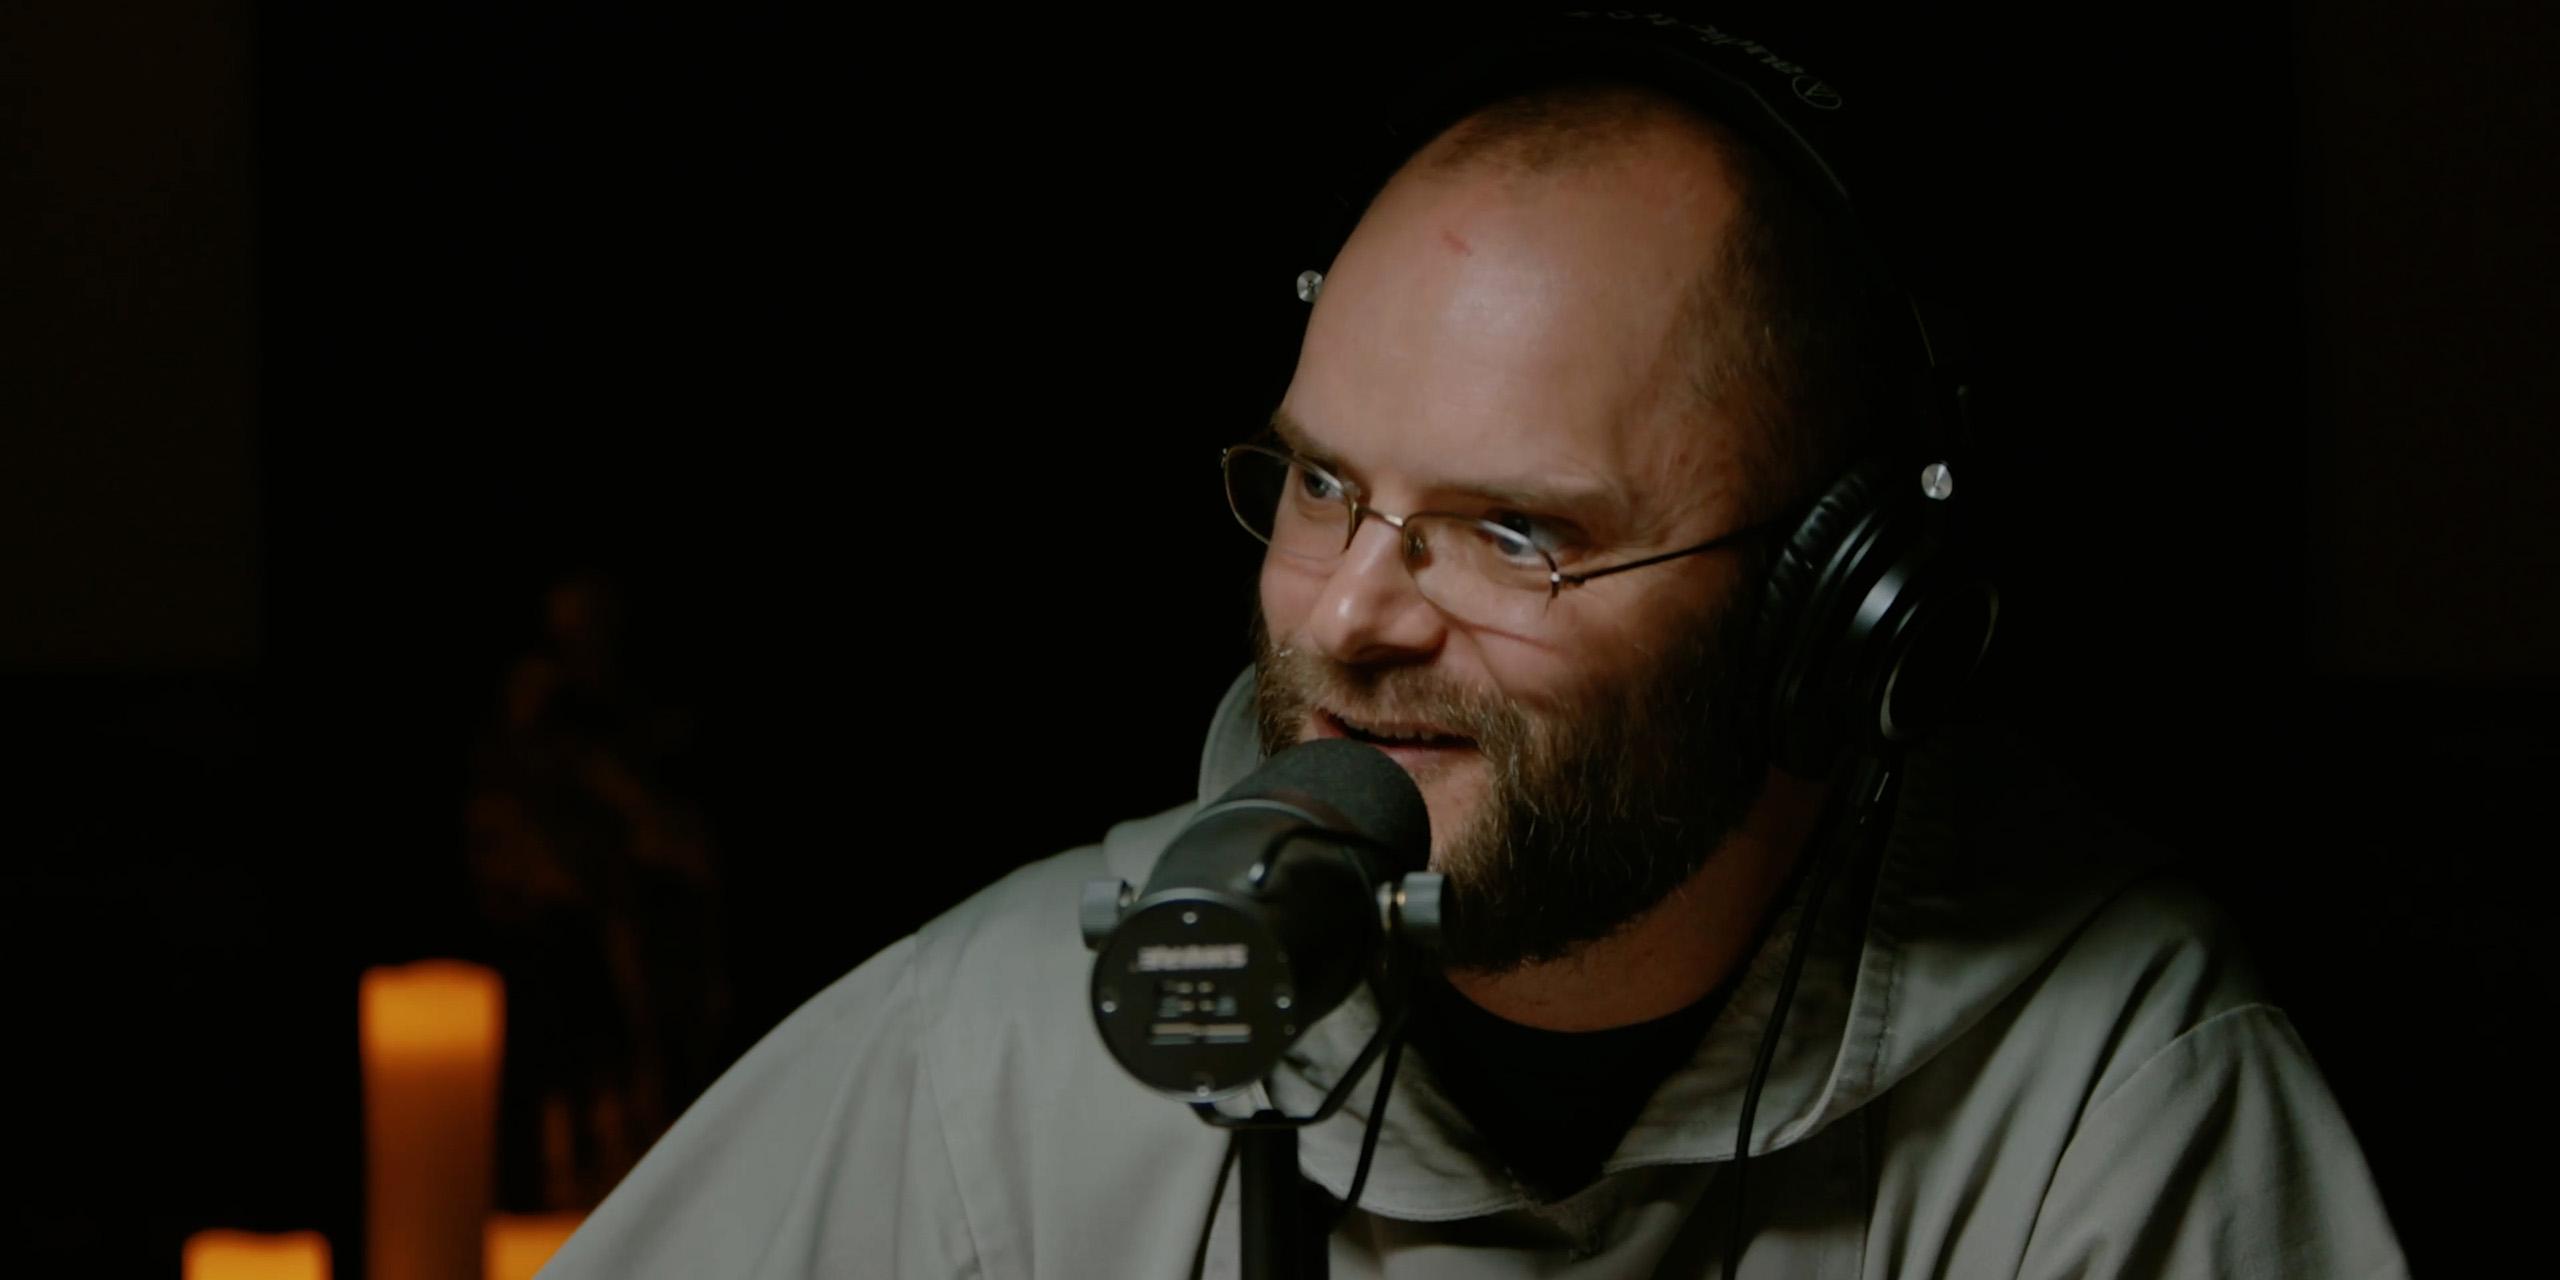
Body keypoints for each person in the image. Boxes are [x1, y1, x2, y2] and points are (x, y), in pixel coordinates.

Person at [542, 16, 2406, 1279]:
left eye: (1520, 534)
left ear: (1831, 621)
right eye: (1321, 489)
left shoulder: (2112, 1097)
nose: (1353, 616)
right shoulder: (992, 1054)